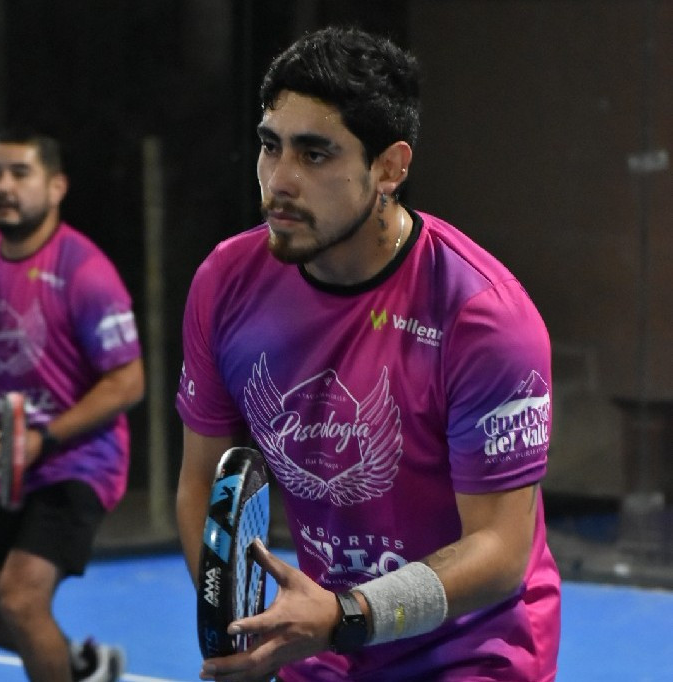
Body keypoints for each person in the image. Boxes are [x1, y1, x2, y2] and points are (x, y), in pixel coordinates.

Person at [176, 26, 560, 682]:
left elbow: (499, 551)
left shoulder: (483, 318)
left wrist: (343, 615)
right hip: (324, 641)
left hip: (471, 651)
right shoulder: (226, 283)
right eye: (270, 146)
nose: (280, 180)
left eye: (315, 154)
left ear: (390, 169)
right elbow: (201, 485)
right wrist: (244, 627)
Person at [0, 129, 145, 682]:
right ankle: (83, 667)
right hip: (5, 457)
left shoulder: (85, 272)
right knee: (3, 610)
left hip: (77, 459)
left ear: (56, 187)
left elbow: (128, 382)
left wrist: (44, 438)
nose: (4, 186)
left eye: (20, 173)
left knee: (21, 598)